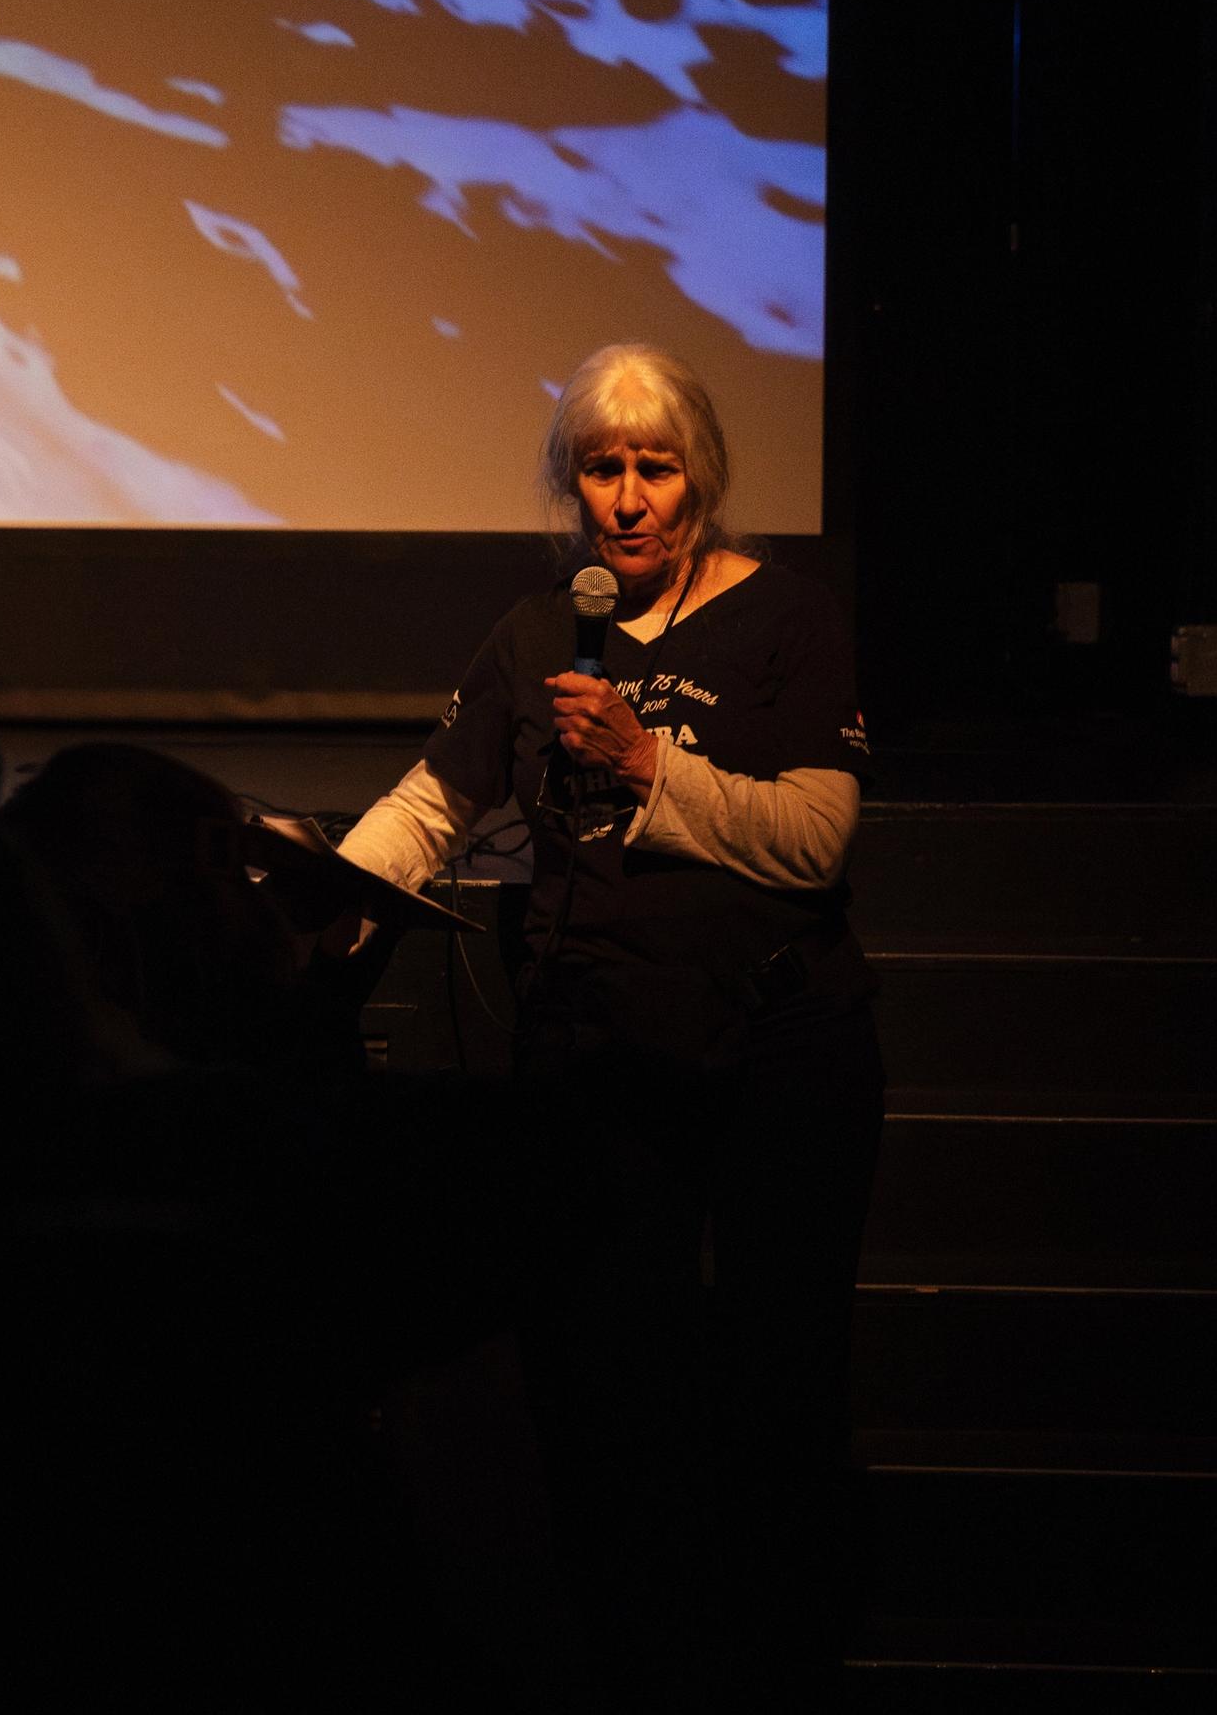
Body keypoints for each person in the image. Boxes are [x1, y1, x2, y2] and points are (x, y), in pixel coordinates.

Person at [338, 343, 884, 1708]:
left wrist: (651, 765)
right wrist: (326, 890)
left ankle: (779, 1658)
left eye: (655, 467)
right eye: (601, 469)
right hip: (594, 1054)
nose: (628, 500)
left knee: (774, 1371)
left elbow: (817, 839)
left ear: (702, 475)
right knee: (602, 1383)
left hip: (778, 1056)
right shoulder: (539, 637)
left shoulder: (790, 619)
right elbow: (430, 806)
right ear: (569, 487)